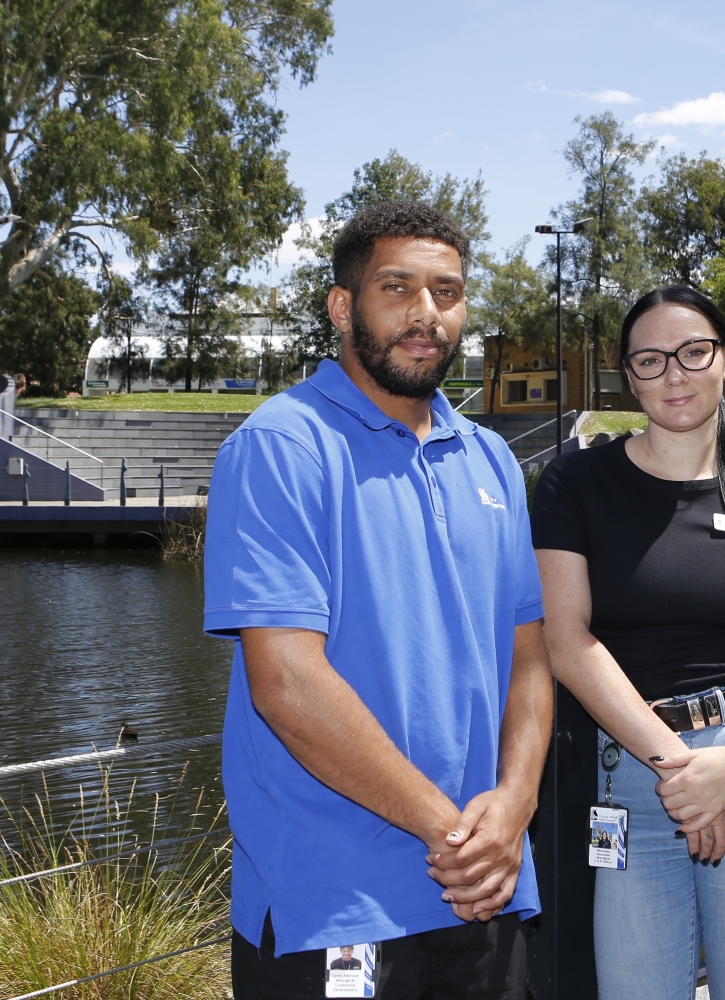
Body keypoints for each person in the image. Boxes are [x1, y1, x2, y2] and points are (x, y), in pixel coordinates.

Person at [204, 200, 553, 1000]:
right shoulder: (279, 446)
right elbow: (287, 683)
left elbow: (529, 657)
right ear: (342, 305)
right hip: (335, 906)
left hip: (483, 889)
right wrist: (455, 832)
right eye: (397, 288)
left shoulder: (492, 459)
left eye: (447, 291)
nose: (426, 313)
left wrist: (515, 806)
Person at [532, 285, 725, 1000]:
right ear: (628, 376)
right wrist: (686, 773)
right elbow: (567, 638)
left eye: (693, 352)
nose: (674, 374)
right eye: (650, 360)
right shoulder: (576, 483)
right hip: (637, 781)